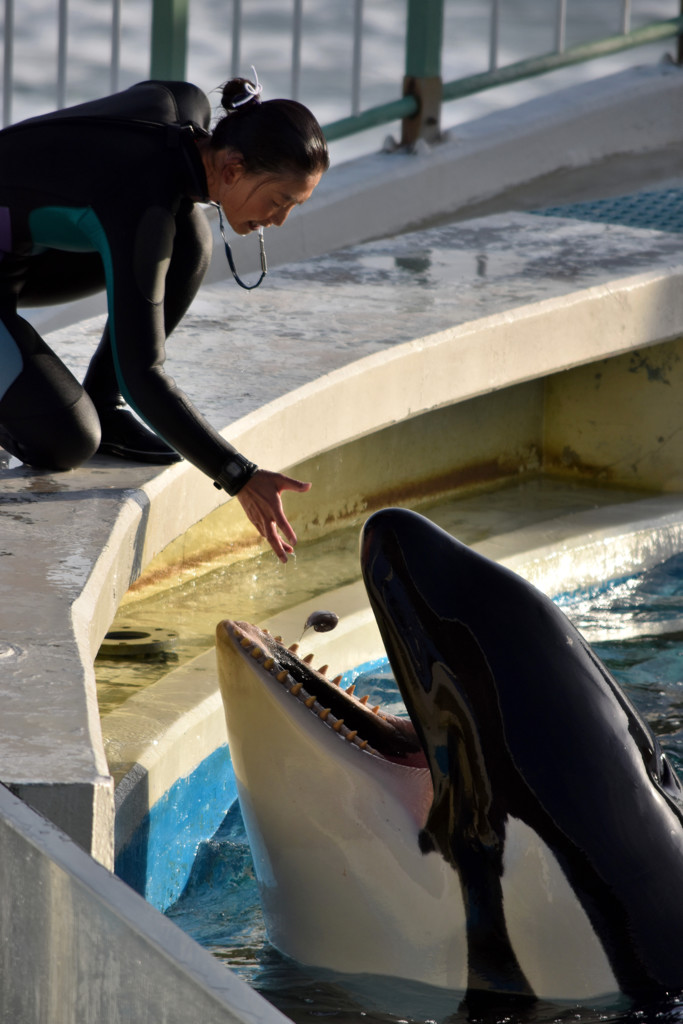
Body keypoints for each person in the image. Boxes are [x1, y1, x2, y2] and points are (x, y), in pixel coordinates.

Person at [0, 73, 329, 563]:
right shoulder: (141, 199)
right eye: (279, 201)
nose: (278, 220)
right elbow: (145, 374)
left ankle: (103, 406)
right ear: (234, 168)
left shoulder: (184, 109)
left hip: (19, 254)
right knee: (66, 439)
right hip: (21, 254)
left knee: (188, 235)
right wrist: (239, 475)